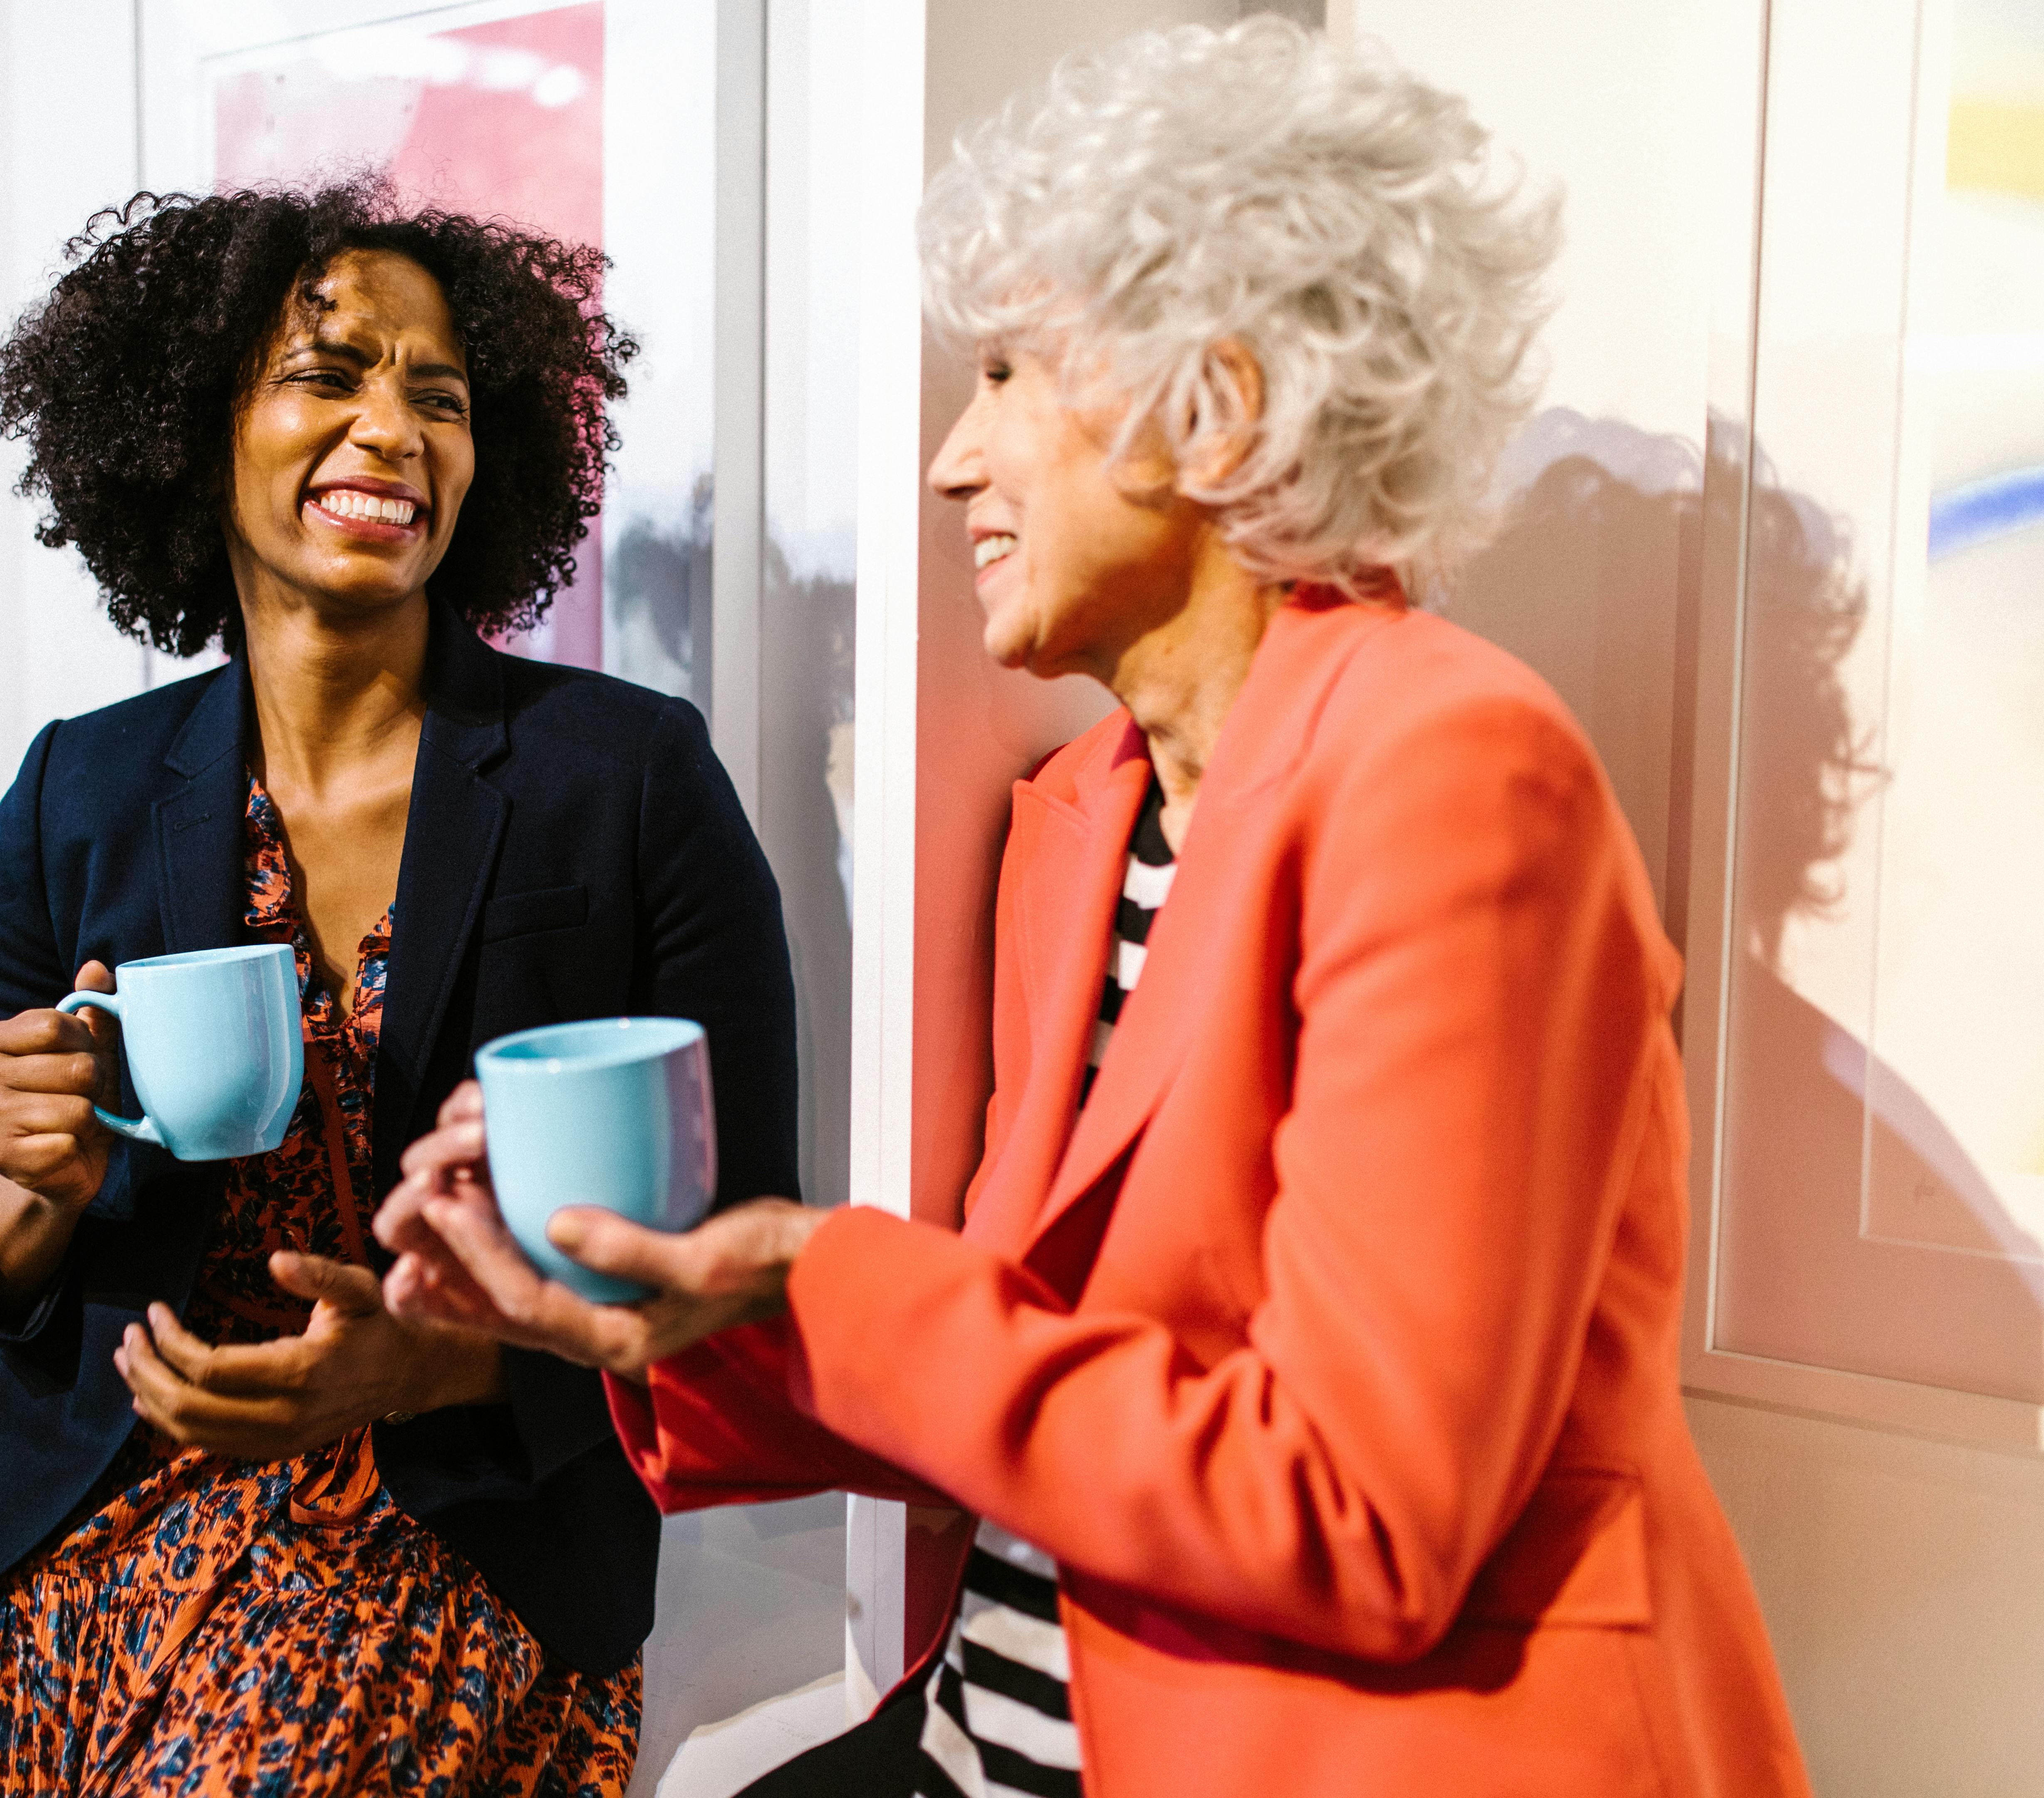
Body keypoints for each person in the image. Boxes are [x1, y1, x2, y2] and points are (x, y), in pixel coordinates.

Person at [376, 22, 1811, 1798]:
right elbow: (1035, 1384)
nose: (950, 463)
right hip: (999, 1726)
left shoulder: (1459, 772)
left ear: (1208, 403)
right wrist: (649, 1304)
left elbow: (1360, 1520)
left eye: (1003, 376)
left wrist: (824, 1266)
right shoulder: (1085, 811)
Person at [0, 181, 798, 1797]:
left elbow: (748, 1265)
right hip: (43, 1539)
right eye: (330, 375)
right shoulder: (77, 791)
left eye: (439, 396)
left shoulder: (627, 781)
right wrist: (26, 1199)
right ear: (191, 430)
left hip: (444, 1536)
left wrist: (436, 1366)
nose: (395, 430)